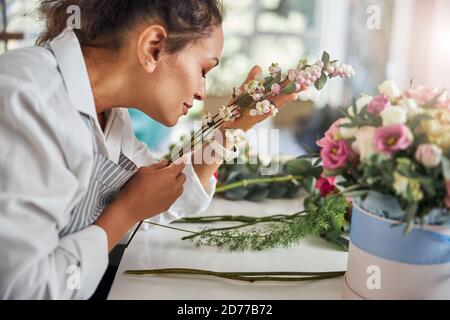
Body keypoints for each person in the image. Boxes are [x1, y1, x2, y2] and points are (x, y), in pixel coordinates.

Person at [0, 0, 297, 299]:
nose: (201, 91)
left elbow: (159, 193)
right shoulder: (29, 101)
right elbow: (26, 289)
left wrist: (234, 124)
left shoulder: (110, 115)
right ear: (153, 47)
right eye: (204, 70)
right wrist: (125, 211)